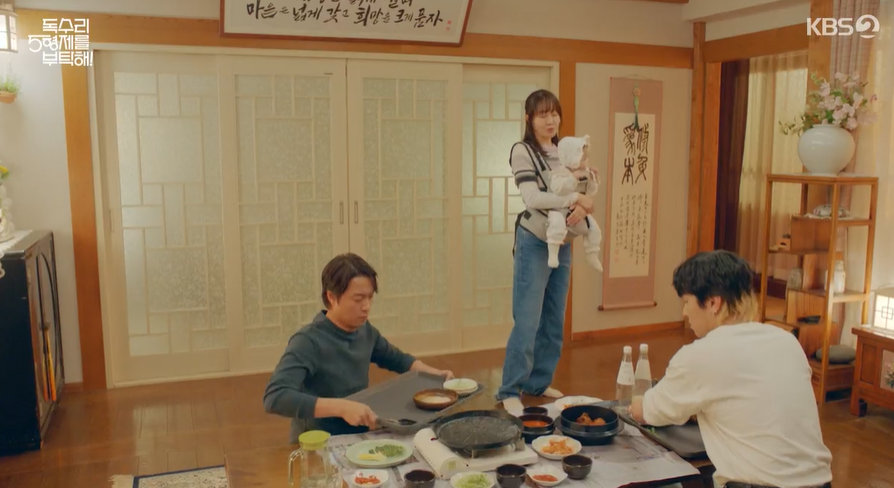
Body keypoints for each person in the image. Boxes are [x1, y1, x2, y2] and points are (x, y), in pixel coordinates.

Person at [629, 250, 833, 488]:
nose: (684, 312)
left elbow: (646, 411)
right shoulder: (787, 341)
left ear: (713, 303)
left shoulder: (700, 355)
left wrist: (634, 403)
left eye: (686, 302)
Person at [263, 253, 454, 444]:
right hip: (319, 441)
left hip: (359, 432)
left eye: (370, 297)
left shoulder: (365, 331)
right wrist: (341, 407)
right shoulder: (308, 341)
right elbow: (275, 397)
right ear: (331, 297)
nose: (366, 306)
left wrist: (435, 375)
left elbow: (398, 359)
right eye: (358, 299)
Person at [497, 89, 597, 411]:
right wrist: (573, 199)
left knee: (554, 320)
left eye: (554, 113)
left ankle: (537, 383)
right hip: (534, 241)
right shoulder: (523, 151)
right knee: (527, 320)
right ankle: (509, 390)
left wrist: (584, 204)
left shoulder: (566, 150)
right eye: (542, 115)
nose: (550, 120)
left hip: (563, 240)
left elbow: (584, 191)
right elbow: (533, 198)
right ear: (529, 119)